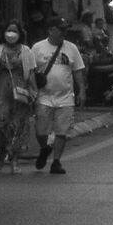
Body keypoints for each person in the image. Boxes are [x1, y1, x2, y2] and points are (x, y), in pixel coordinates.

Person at [30, 21, 85, 172]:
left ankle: (56, 162)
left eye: (65, 30)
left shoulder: (71, 48)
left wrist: (81, 91)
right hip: (43, 96)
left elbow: (78, 70)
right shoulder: (37, 47)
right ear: (50, 30)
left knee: (61, 131)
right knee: (41, 131)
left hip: (65, 97)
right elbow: (30, 71)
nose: (63, 32)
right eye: (60, 29)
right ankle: (44, 148)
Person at [0, 19, 37, 169]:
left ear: (20, 34)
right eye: (9, 30)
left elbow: (31, 73)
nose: (11, 34)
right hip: (1, 91)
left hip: (20, 91)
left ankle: (14, 160)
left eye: (15, 31)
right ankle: (1, 152)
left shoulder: (27, 51)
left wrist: (34, 91)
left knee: (19, 126)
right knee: (0, 125)